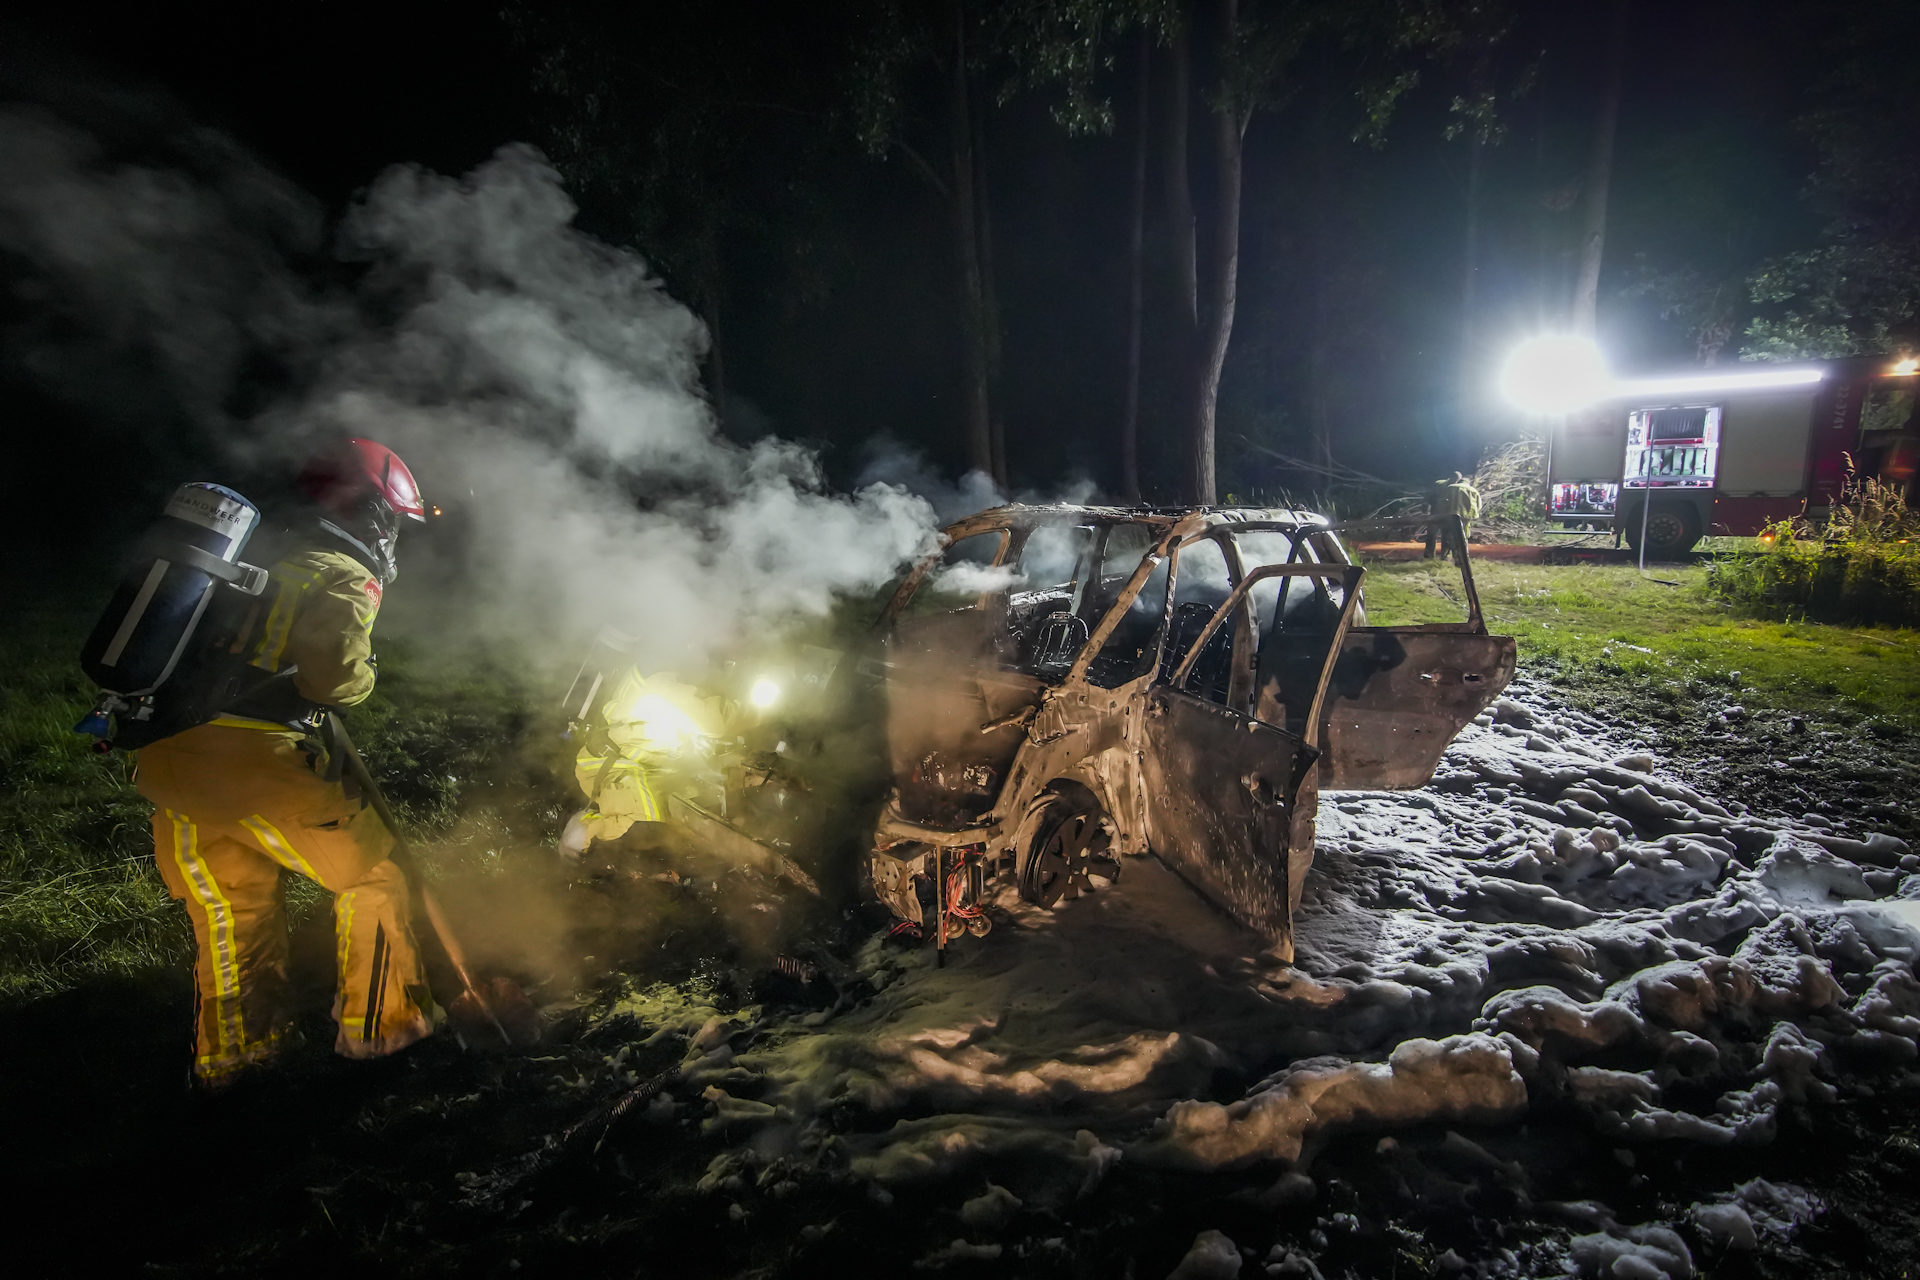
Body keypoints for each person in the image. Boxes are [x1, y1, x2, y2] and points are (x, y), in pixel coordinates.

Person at [134, 439, 433, 1087]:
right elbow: (334, 680)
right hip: (252, 765)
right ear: (371, 513)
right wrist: (365, 674)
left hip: (170, 760)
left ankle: (238, 1060)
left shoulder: (253, 557)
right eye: (393, 522)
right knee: (374, 877)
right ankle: (382, 1033)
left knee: (232, 910)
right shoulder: (343, 572)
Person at [559, 665, 742, 859]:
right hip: (664, 689)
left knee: (719, 722)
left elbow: (592, 827)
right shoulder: (624, 802)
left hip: (654, 680)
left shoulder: (608, 792)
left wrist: (580, 838)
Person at [1424, 471, 1483, 559]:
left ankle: (1442, 556)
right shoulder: (1473, 490)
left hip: (1449, 514)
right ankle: (1459, 557)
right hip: (1464, 516)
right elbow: (1479, 505)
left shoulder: (1451, 487)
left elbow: (1444, 500)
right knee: (1461, 537)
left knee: (1445, 535)